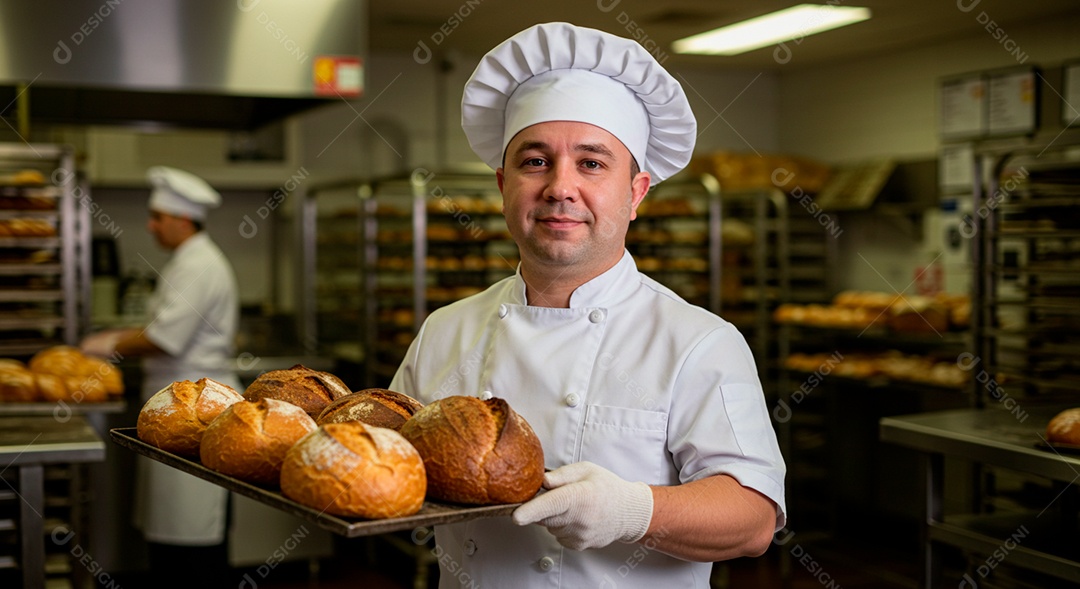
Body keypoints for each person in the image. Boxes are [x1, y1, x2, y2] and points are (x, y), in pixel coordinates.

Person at [390, 22, 786, 588]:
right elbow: (393, 463)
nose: (559, 187)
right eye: (535, 162)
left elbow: (753, 520)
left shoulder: (698, 341)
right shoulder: (444, 330)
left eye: (592, 163)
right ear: (503, 184)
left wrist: (633, 512)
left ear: (636, 194)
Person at [81, 166, 240, 587]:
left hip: (198, 412)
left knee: (192, 533)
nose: (150, 226)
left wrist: (108, 343)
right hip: (178, 408)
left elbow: (167, 338)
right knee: (172, 528)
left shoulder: (200, 265)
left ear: (182, 220)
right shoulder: (187, 261)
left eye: (156, 217)